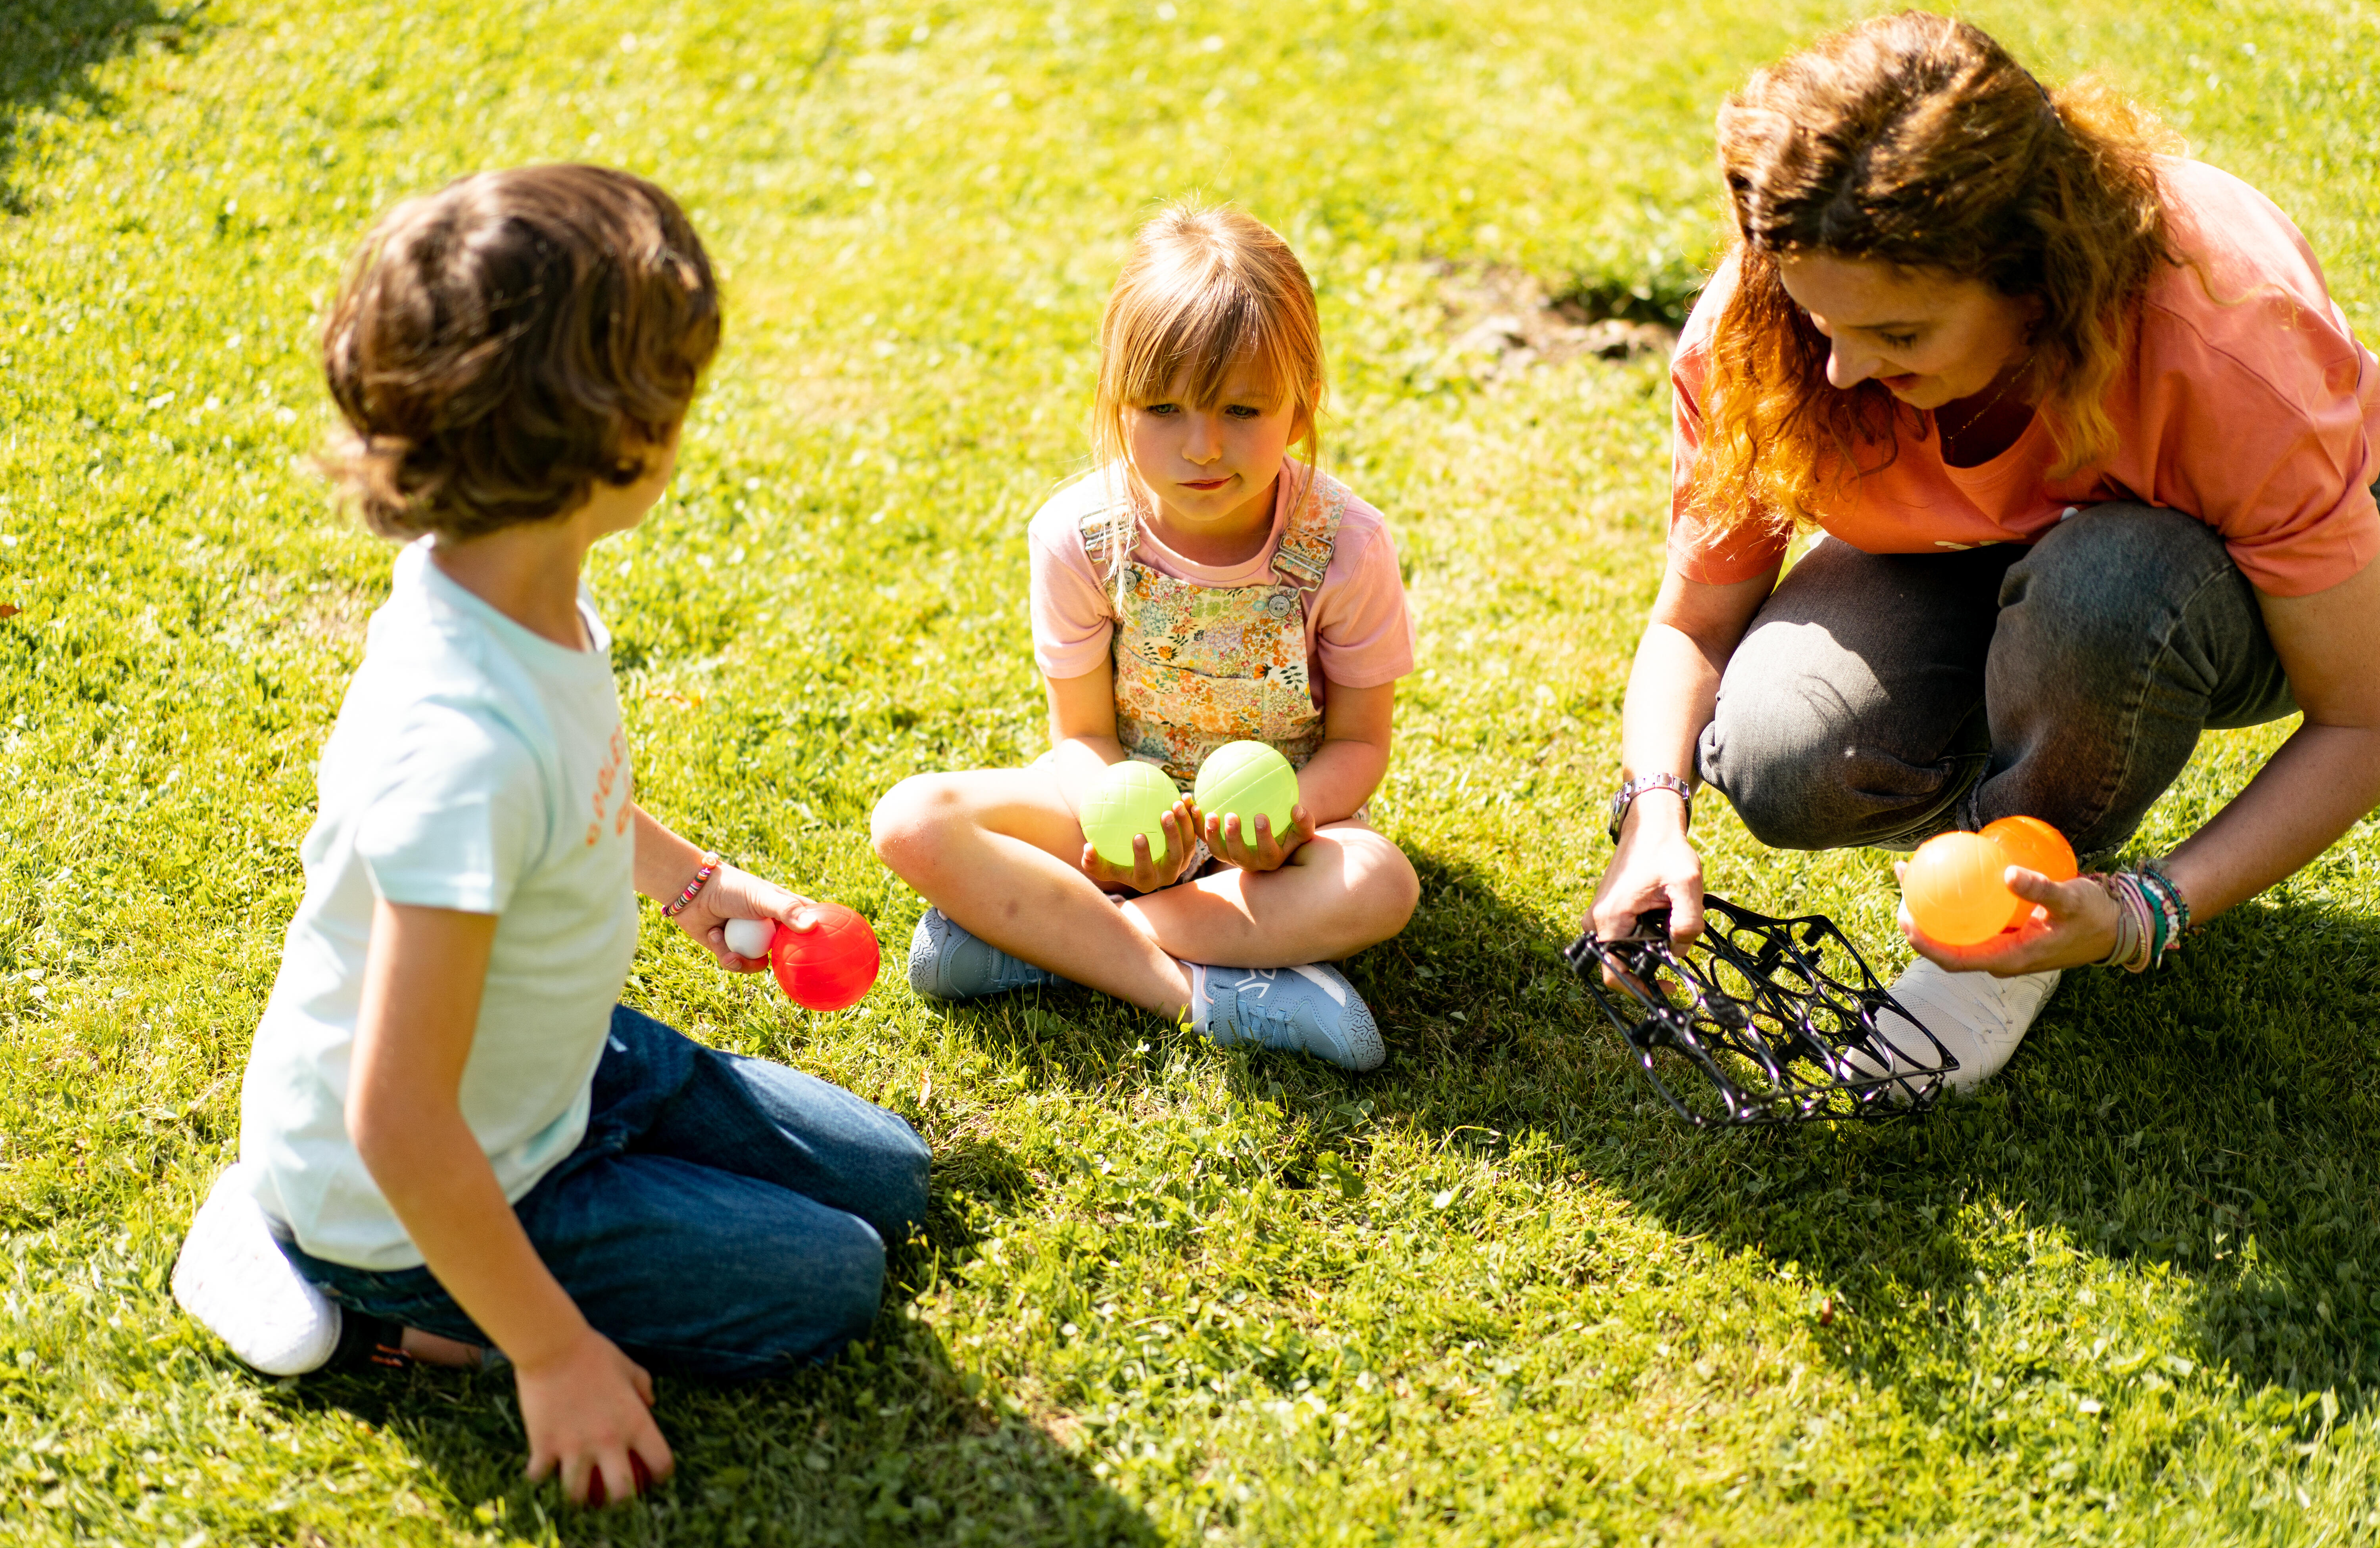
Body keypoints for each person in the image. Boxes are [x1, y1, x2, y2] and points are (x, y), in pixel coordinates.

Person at [169, 166, 931, 1506]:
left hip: (558, 1078)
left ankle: (456, 1225)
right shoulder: (455, 746)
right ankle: (364, 1299)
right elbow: (403, 1119)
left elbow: (569, 787)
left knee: (895, 1180)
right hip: (416, 1186)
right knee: (831, 1278)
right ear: (618, 442)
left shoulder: (512, 587)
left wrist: (687, 881)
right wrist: (552, 1350)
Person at [1588, 12, 2380, 1088]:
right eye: (1823, 323)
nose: (1838, 376)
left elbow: (2361, 719)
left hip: (2203, 585)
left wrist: (2149, 910)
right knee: (1784, 753)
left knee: (2107, 592)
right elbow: (1692, 622)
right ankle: (2007, 822)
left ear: (2034, 284)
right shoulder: (1770, 329)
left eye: (1899, 337)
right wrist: (1653, 817)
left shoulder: (2228, 351)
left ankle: (2020, 897)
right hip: (1969, 549)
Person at [871, 203, 1420, 1071]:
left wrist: (1292, 820)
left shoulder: (1345, 544)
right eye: (1163, 407)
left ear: (1302, 405)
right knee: (911, 820)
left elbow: (1360, 741)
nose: (1204, 446)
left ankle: (1052, 941)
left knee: (1383, 882)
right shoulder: (1080, 535)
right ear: (1116, 401)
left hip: (1277, 851)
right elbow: (1082, 735)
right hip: (1114, 819)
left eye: (1243, 408)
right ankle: (1202, 989)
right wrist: (1119, 821)